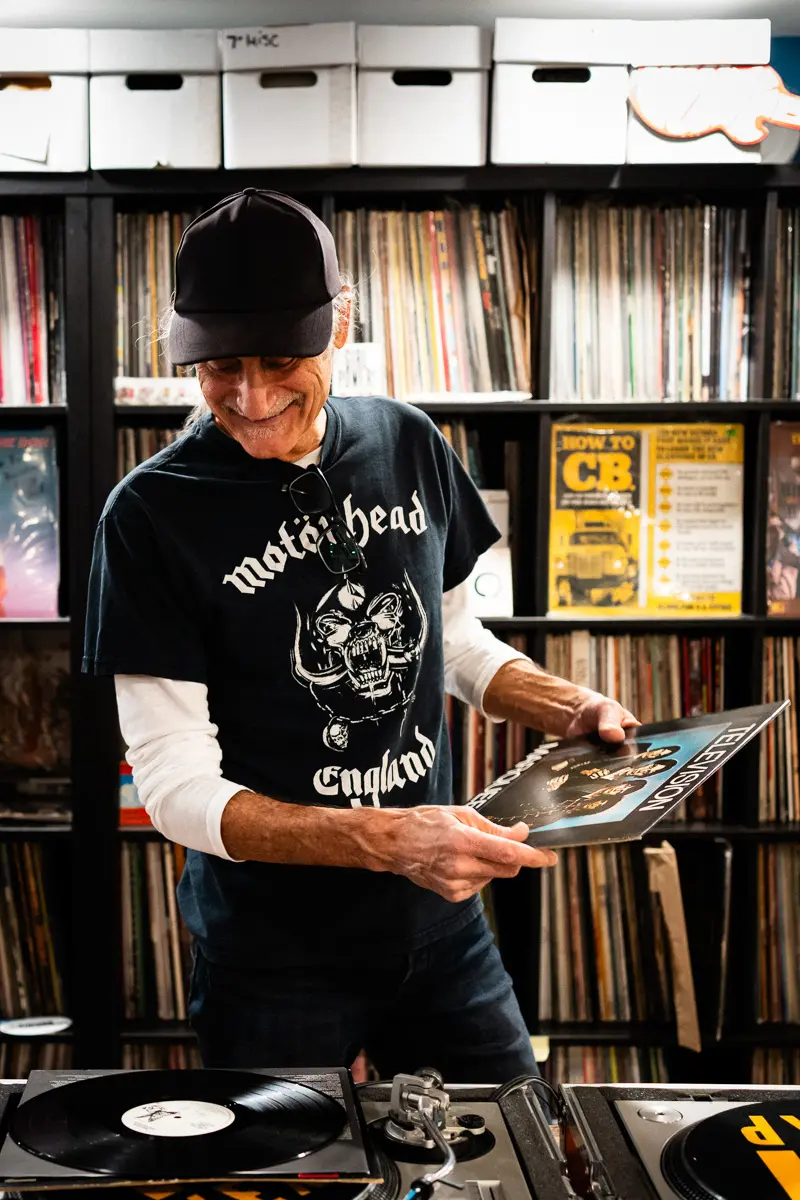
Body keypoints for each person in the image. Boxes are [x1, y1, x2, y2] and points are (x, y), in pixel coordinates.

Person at [83, 189, 639, 1082]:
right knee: (285, 1179)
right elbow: (175, 789)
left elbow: (454, 643)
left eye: (279, 357)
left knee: (507, 1155)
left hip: (443, 929)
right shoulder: (147, 516)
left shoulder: (407, 441)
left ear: (340, 326)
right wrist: (390, 839)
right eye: (220, 366)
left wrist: (564, 703)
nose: (251, 395)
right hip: (272, 959)